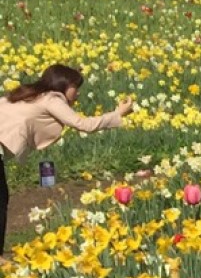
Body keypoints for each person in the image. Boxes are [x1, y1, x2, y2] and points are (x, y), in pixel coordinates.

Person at [0, 65, 132, 252]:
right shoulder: (52, 98)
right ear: (63, 84)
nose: (77, 94)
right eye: (75, 87)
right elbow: (83, 124)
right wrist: (117, 114)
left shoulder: (26, 93)